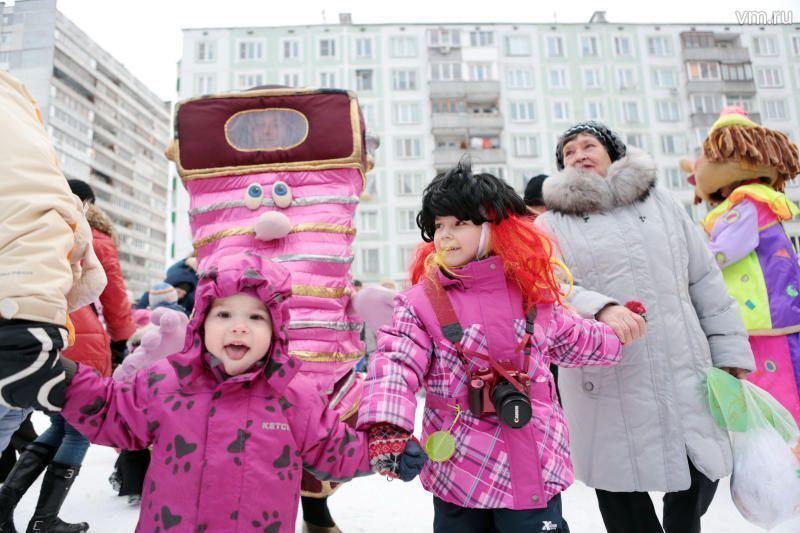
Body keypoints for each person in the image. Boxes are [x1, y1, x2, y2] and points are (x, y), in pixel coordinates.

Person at [57, 253, 422, 532]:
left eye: (256, 317)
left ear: (276, 329)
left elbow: (332, 448)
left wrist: (382, 452)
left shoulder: (293, 396)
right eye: (224, 315)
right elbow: (112, 410)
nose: (239, 328)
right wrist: (63, 378)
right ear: (201, 323)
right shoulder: (167, 382)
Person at [357, 161, 628, 533]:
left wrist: (620, 331)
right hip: (459, 471)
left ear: (494, 228)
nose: (445, 235)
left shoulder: (533, 297)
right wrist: (388, 425)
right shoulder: (421, 303)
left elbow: (577, 339)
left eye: (459, 223)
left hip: (532, 469)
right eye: (439, 225)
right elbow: (396, 361)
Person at [536, 121, 755, 533]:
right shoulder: (551, 225)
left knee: (699, 473)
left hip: (683, 363)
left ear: (613, 152)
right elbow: (549, 285)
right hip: (606, 376)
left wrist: (729, 352)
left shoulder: (662, 204)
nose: (579, 154)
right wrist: (599, 308)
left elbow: (704, 280)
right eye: (568, 152)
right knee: (620, 489)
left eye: (588, 145)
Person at [0, 71, 106, 533]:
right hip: (56, 334)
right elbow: (105, 291)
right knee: (71, 428)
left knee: (35, 424)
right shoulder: (70, 221)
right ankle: (42, 518)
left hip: (45, 329)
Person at [1, 180, 136, 533]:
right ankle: (44, 519)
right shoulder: (94, 236)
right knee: (78, 429)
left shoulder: (30, 222)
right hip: (81, 337)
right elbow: (114, 297)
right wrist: (124, 339)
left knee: (57, 425)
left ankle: (5, 507)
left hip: (41, 333)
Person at [688, 107, 800, 424]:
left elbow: (725, 251)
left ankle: (788, 446)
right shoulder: (761, 199)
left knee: (775, 390)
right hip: (779, 310)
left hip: (764, 314)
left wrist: (692, 260)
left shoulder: (747, 202)